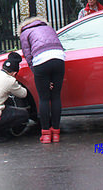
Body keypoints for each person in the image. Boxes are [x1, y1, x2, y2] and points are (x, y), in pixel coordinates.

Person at [18, 16, 66, 144]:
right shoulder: (48, 28)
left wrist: (37, 73)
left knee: (44, 98)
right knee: (55, 96)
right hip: (59, 58)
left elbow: (28, 56)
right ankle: (56, 133)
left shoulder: (25, 33)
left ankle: (45, 134)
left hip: (41, 60)